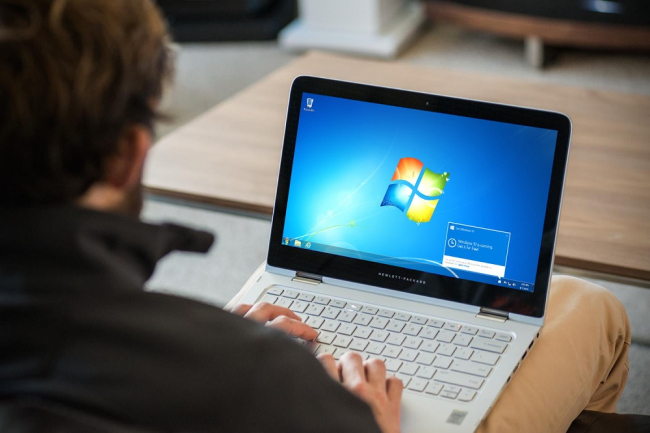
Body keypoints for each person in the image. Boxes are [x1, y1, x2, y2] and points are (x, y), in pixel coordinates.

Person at [0, 1, 630, 432]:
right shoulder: (261, 376)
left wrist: (208, 345)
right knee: (592, 307)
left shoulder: (217, 359)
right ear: (128, 156)